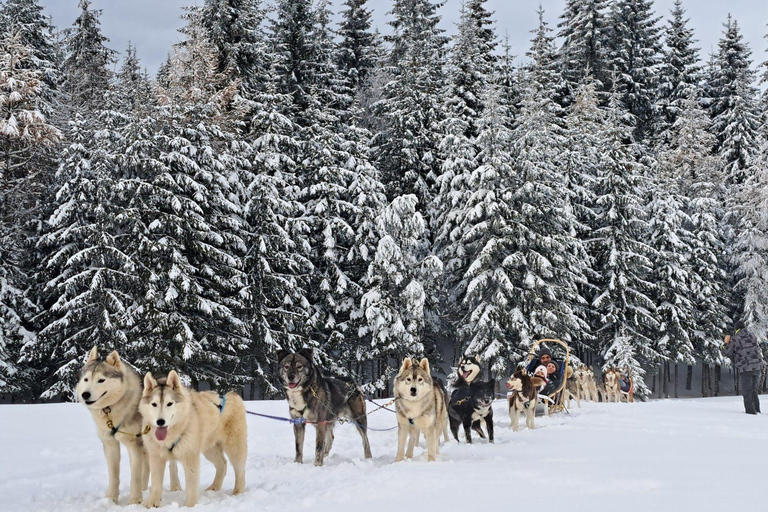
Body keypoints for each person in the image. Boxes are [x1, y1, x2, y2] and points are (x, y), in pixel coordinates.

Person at [723, 319, 766, 415]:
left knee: (747, 392)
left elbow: (726, 352)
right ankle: (757, 410)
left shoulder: (735, 338)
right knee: (753, 390)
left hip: (746, 367)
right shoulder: (752, 336)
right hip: (758, 366)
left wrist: (726, 343)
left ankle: (751, 413)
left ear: (736, 329)